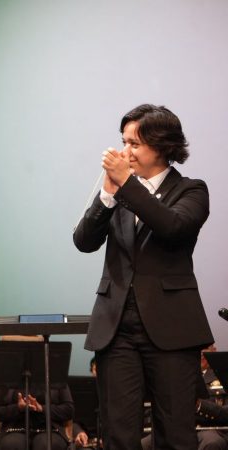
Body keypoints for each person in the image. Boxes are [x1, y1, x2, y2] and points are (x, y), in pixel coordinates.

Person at [73, 104, 213, 449]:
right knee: (119, 433)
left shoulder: (192, 190)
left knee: (175, 434)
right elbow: (84, 241)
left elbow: (172, 226)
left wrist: (125, 187)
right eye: (124, 141)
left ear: (163, 146)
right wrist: (108, 194)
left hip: (171, 327)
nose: (125, 152)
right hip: (116, 327)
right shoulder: (120, 193)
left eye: (135, 144)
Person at [0, 385, 74, 450]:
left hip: (50, 430)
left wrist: (41, 408)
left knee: (45, 445)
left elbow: (69, 410)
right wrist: (18, 408)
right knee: (12, 445)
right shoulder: (7, 373)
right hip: (14, 429)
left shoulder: (55, 373)